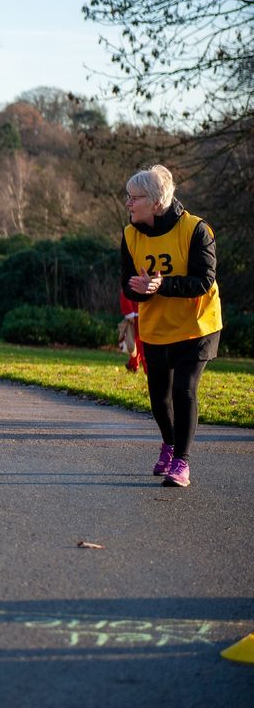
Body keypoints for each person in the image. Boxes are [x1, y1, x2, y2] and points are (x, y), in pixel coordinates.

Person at [121, 164, 222, 488]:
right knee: (159, 400)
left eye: (133, 198)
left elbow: (204, 281)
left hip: (197, 325)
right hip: (157, 326)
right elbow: (126, 282)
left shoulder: (196, 230)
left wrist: (161, 285)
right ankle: (168, 443)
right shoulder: (129, 234)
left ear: (155, 202)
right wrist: (136, 289)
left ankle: (182, 462)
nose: (128, 204)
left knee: (184, 390)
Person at [118, 291, 146, 374]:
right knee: (141, 343)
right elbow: (125, 295)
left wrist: (129, 313)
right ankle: (140, 366)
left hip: (139, 314)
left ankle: (133, 365)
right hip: (137, 315)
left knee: (139, 343)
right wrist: (130, 314)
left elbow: (125, 295)